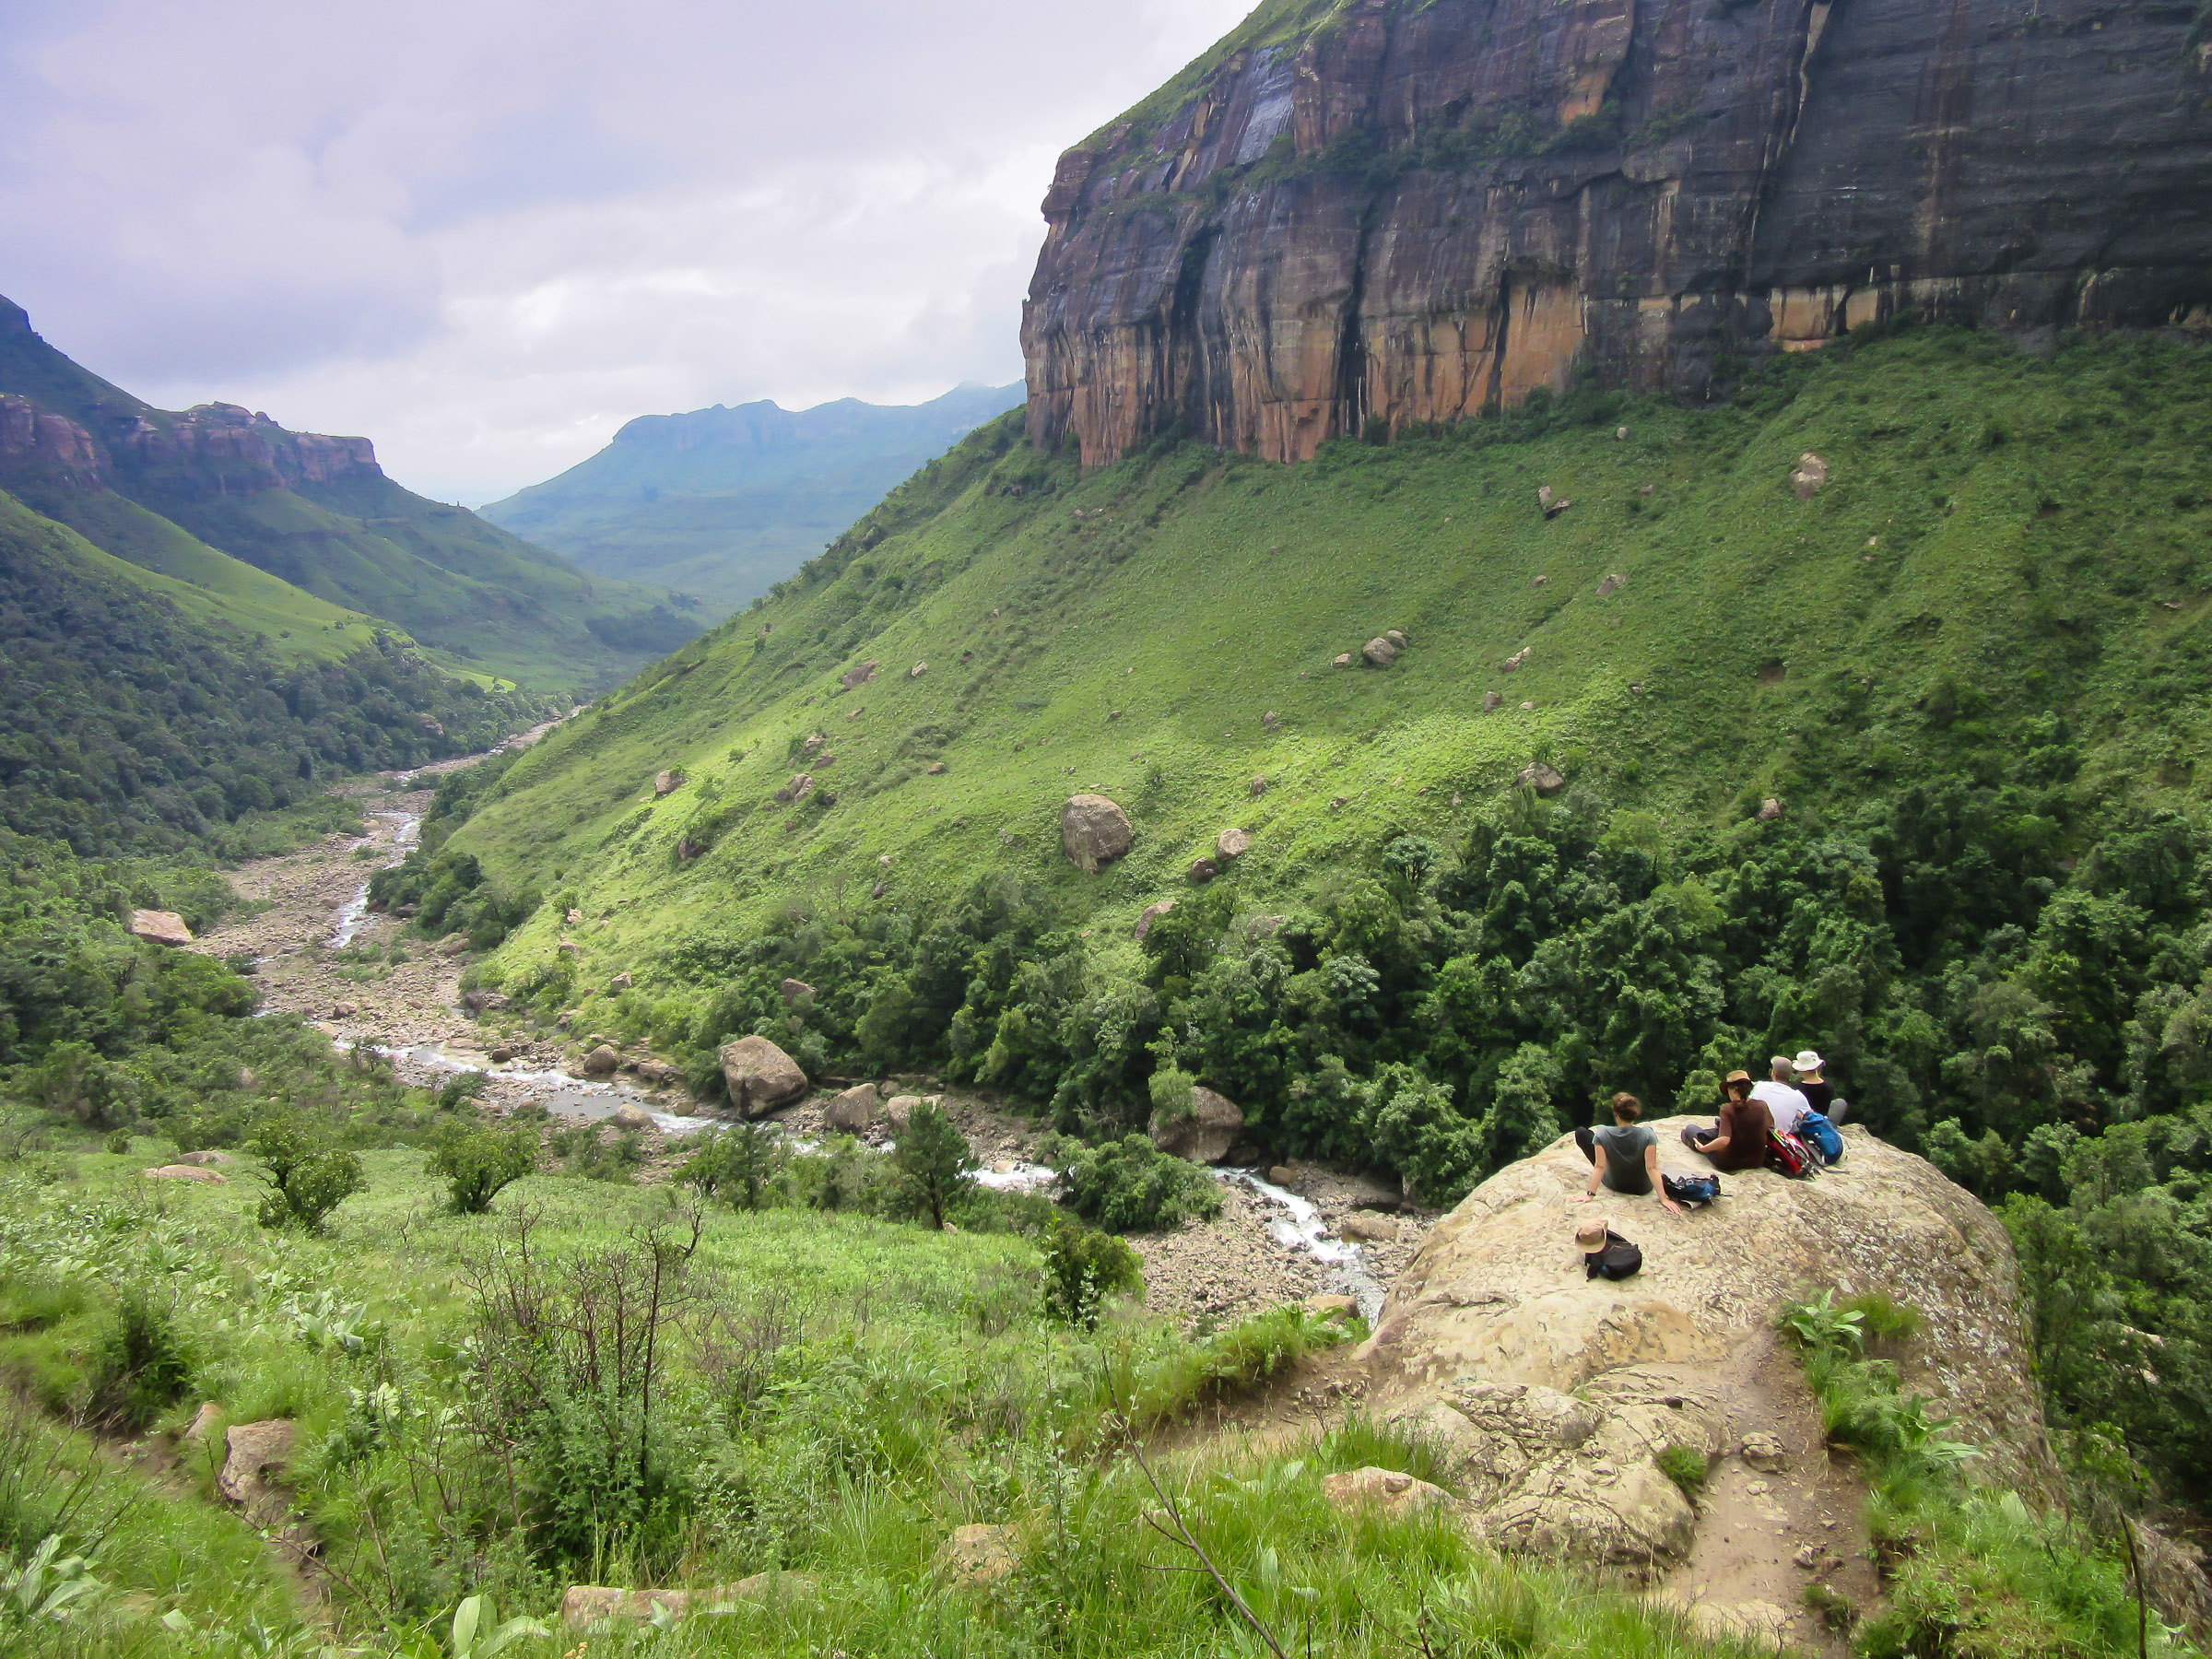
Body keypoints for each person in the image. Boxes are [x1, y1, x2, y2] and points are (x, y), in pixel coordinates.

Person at [1574, 1092, 1683, 1217]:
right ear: (1635, 1113)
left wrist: (1590, 1195)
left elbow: (1600, 1166)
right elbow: (1651, 1167)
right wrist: (1663, 1199)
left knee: (1582, 1133)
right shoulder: (1647, 1134)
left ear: (1616, 1114)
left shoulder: (1603, 1133)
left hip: (1614, 1183)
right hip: (1642, 1188)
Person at [1681, 1070, 1773, 1171]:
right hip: (1756, 1161)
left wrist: (1703, 1149)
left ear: (1733, 1090)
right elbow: (1770, 1128)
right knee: (1716, 1130)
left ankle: (1693, 1143)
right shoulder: (1762, 1105)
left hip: (1728, 1162)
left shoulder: (1727, 1109)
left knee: (1690, 1129)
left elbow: (1725, 1140)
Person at [1751, 1055, 1812, 1137]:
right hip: (1781, 1142)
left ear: (1773, 1073)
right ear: (1790, 1076)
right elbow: (1812, 1117)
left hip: (1757, 1136)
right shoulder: (1798, 1096)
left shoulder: (1759, 1086)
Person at [1793, 1050, 1849, 1126]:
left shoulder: (1796, 1087)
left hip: (1804, 1122)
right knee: (1840, 1102)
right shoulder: (1829, 1085)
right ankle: (1828, 1126)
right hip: (1821, 1119)